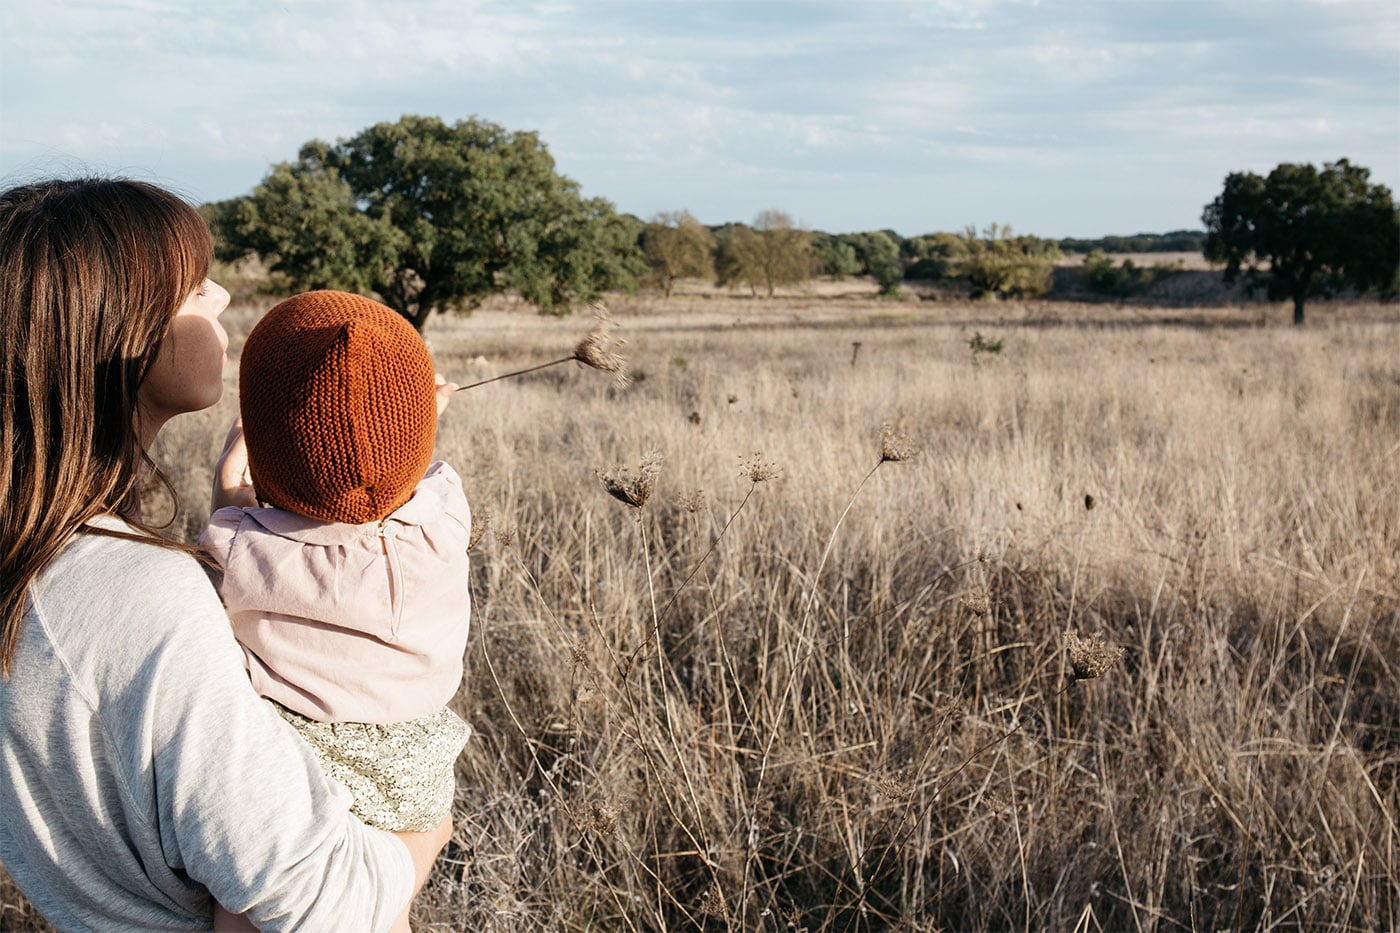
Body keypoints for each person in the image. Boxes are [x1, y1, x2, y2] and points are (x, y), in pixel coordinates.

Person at [0, 178, 449, 932]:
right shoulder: (139, 594)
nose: (223, 294)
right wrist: (422, 832)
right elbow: (323, 902)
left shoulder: (45, 563)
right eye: (194, 286)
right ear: (118, 329)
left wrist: (239, 527)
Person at [198, 290, 473, 931]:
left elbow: (232, 548)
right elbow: (414, 473)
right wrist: (415, 411)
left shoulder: (240, 548)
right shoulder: (445, 516)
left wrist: (228, 496)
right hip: (419, 763)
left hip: (308, 763)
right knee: (385, 904)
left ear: (261, 446)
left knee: (247, 907)